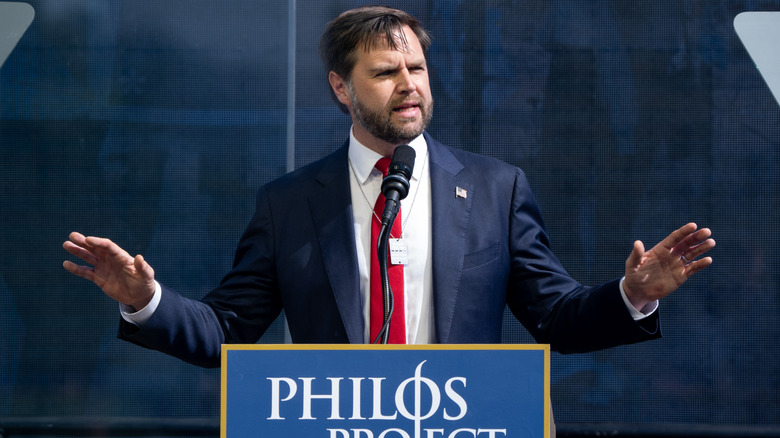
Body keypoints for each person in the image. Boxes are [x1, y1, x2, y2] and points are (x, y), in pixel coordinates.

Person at [63, 6, 714, 370]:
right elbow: (228, 331)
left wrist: (631, 294)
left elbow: (557, 318)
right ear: (341, 90)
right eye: (385, 72)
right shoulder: (290, 203)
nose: (409, 84)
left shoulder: (495, 190)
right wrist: (147, 301)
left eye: (417, 67)